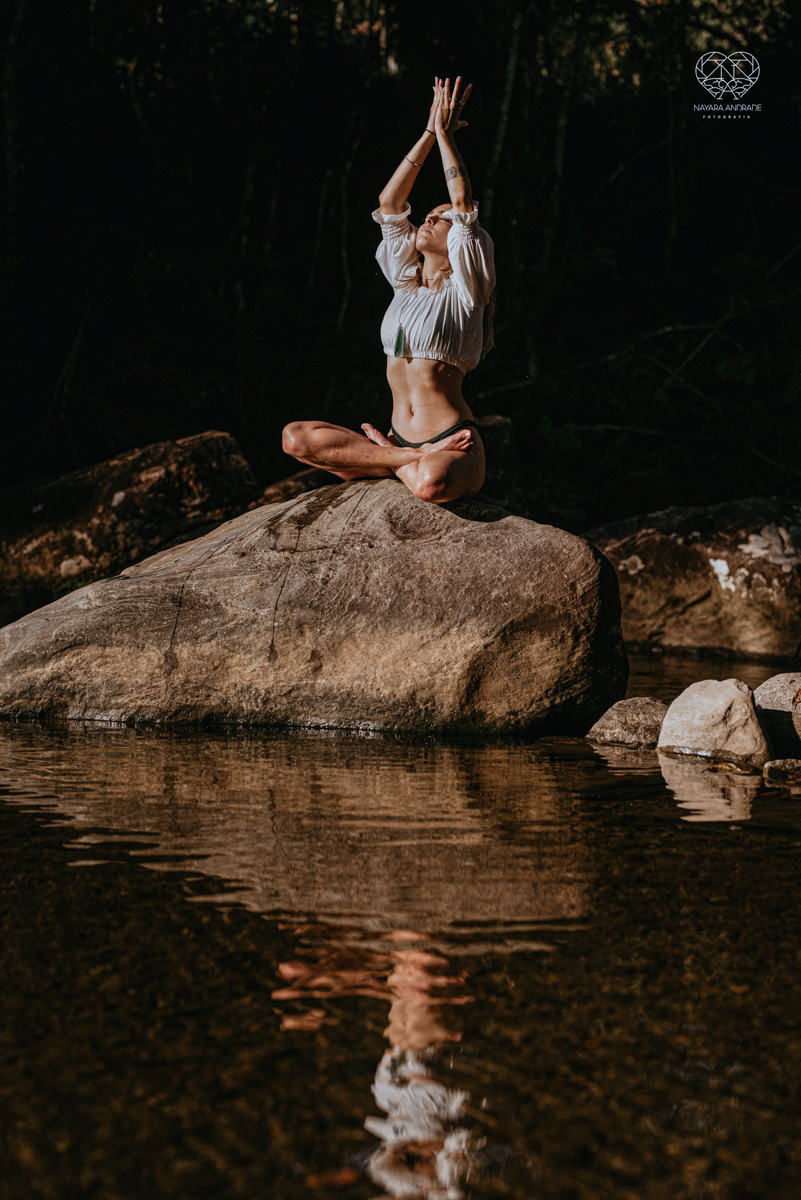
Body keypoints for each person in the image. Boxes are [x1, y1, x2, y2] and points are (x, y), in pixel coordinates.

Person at [282, 76, 496, 505]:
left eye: (441, 219)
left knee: (429, 484)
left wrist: (446, 135)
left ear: (460, 245)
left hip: (452, 440)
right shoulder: (404, 284)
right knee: (294, 438)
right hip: (403, 436)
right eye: (429, 216)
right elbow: (390, 204)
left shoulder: (466, 292)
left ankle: (378, 462)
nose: (429, 220)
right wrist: (427, 133)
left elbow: (462, 203)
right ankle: (397, 457)